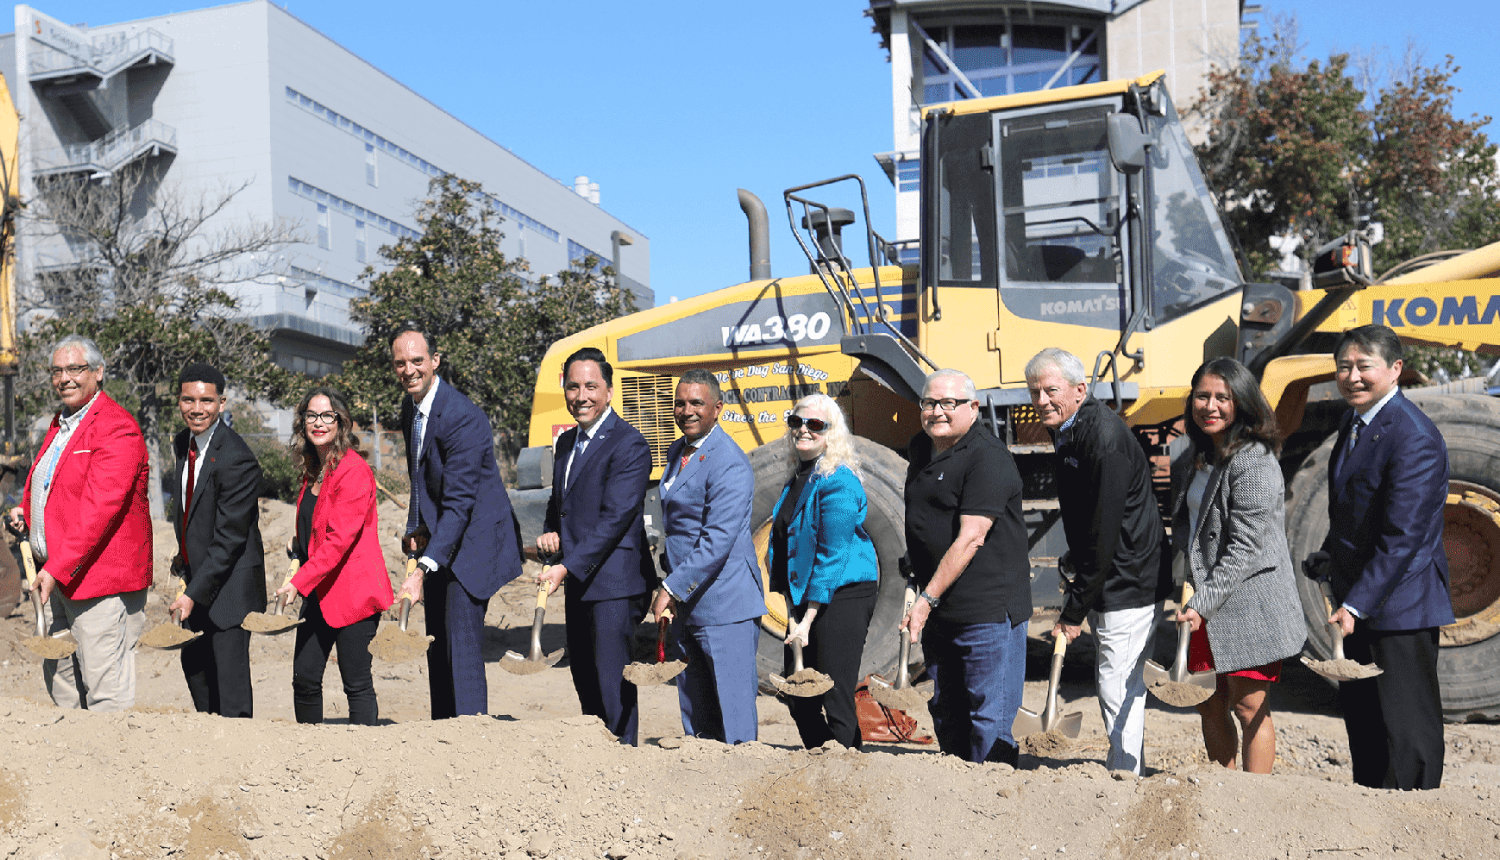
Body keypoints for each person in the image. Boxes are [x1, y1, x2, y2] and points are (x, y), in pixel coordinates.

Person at [1311, 324, 1454, 789]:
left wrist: (1356, 605)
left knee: (1405, 724)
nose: (1352, 376)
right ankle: (1372, 810)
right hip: (1360, 597)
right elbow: (1354, 509)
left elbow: (1403, 535)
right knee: (1367, 722)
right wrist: (1329, 554)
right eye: (1344, 366)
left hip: (1401, 604)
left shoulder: (1413, 435)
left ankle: (1416, 816)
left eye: (1363, 366)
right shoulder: (1354, 422)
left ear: (1395, 369)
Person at [1026, 348, 1171, 774]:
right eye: (1034, 392)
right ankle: (1126, 766)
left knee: (1116, 681)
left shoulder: (1103, 438)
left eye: (1050, 390)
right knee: (1117, 677)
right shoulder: (1070, 428)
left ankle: (1124, 774)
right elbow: (1091, 513)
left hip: (1128, 579)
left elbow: (1105, 530)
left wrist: (1074, 611)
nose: (1041, 401)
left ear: (1079, 390)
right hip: (1114, 570)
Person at [1171, 357, 1305, 774]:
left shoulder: (1254, 460)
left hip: (1247, 603)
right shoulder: (1198, 455)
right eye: (1202, 396)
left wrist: (1201, 602)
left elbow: (1246, 547)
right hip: (1205, 599)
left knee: (1249, 707)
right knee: (1208, 703)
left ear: (1242, 403)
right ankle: (1223, 790)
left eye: (1222, 397)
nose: (1210, 406)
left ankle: (1255, 800)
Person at [6, 335, 152, 711]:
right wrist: (27, 513)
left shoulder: (117, 427)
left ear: (98, 372)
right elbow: (49, 483)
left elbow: (99, 511)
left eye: (75, 369)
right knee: (63, 683)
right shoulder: (62, 423)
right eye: (57, 371)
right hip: (58, 578)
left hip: (99, 582)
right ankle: (73, 749)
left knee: (105, 689)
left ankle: (109, 751)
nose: (65, 378)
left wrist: (55, 568)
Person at [392, 327, 525, 719]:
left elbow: (460, 503)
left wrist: (421, 571)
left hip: (475, 542)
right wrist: (418, 527)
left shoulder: (461, 416)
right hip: (444, 535)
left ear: (435, 361)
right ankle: (443, 734)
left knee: (461, 649)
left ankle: (472, 737)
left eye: (418, 361)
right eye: (401, 363)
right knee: (438, 646)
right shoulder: (411, 409)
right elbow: (421, 479)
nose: (409, 370)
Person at [901, 369, 1030, 764]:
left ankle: (994, 797)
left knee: (988, 718)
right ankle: (958, 796)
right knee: (947, 712)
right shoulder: (921, 448)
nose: (936, 411)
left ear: (973, 407)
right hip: (942, 611)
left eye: (948, 403)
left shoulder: (987, 457)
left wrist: (926, 600)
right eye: (929, 403)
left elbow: (972, 537)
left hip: (985, 612)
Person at [537, 347, 655, 745]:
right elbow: (561, 504)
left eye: (591, 386)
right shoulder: (567, 443)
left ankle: (624, 761)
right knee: (585, 680)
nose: (581, 396)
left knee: (611, 686)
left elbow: (615, 519)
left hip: (613, 586)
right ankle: (601, 764)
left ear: (609, 391)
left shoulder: (629, 444)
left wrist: (566, 566)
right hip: (579, 581)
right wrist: (550, 532)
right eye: (573, 387)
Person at [650, 369, 766, 744]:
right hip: (689, 603)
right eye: (680, 403)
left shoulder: (728, 462)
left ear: (717, 408)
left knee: (734, 718)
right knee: (698, 715)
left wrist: (671, 587)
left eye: (697, 403)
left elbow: (717, 540)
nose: (687, 411)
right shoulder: (677, 451)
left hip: (725, 604)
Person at [274, 387, 393, 725]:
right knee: (305, 678)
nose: (319, 422)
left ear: (342, 422)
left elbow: (339, 540)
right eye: (311, 415)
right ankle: (310, 748)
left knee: (356, 682)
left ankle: (362, 750)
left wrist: (297, 582)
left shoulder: (353, 470)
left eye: (327, 415)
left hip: (353, 592)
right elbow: (318, 524)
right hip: (319, 588)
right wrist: (300, 544)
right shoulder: (314, 468)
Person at [766, 393, 879, 749]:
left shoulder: (838, 481)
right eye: (796, 421)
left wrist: (807, 620)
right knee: (797, 690)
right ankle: (822, 758)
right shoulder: (799, 476)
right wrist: (790, 603)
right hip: (808, 594)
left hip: (844, 592)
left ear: (832, 433)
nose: (804, 429)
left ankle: (846, 766)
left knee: (833, 692)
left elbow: (833, 555)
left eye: (815, 424)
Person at [170, 362, 266, 718]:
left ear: (221, 403)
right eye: (188, 400)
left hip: (230, 588)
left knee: (230, 688)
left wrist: (192, 594)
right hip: (199, 579)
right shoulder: (183, 443)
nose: (197, 409)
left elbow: (229, 539)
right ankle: (211, 743)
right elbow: (190, 512)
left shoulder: (237, 458)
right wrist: (182, 562)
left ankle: (239, 748)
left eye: (206, 401)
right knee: (196, 668)